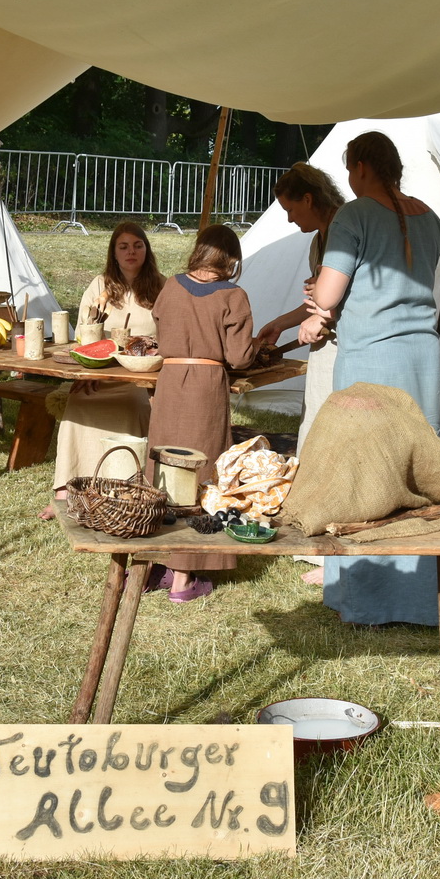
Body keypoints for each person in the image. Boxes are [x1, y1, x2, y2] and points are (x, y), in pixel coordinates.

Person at [298, 131, 440, 626]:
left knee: (364, 471)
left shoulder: (354, 214)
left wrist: (315, 311)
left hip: (371, 361)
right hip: (422, 359)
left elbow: (331, 292)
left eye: (348, 167)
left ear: (362, 167)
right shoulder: (428, 215)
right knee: (415, 473)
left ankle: (367, 601)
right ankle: (415, 598)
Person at [145, 224, 258, 603]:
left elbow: (161, 333)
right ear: (230, 260)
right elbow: (240, 357)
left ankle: (150, 565)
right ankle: (183, 577)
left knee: (160, 469)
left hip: (170, 379)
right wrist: (256, 346)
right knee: (200, 474)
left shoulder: (172, 286)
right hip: (206, 386)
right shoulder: (233, 295)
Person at [43, 222, 165, 520]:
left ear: (146, 250)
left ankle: (124, 489)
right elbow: (86, 336)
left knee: (133, 406)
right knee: (77, 406)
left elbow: (170, 335)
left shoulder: (161, 286)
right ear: (114, 252)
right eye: (123, 246)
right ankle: (66, 492)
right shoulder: (100, 286)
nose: (131, 252)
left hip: (139, 377)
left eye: (137, 245)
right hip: (102, 374)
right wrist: (91, 373)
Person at [253, 163, 347, 449]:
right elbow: (318, 302)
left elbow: (340, 297)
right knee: (319, 420)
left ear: (308, 199)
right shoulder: (319, 240)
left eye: (290, 210)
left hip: (348, 344)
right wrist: (280, 324)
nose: (290, 220)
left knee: (337, 423)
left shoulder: (346, 230)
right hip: (326, 341)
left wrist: (323, 306)